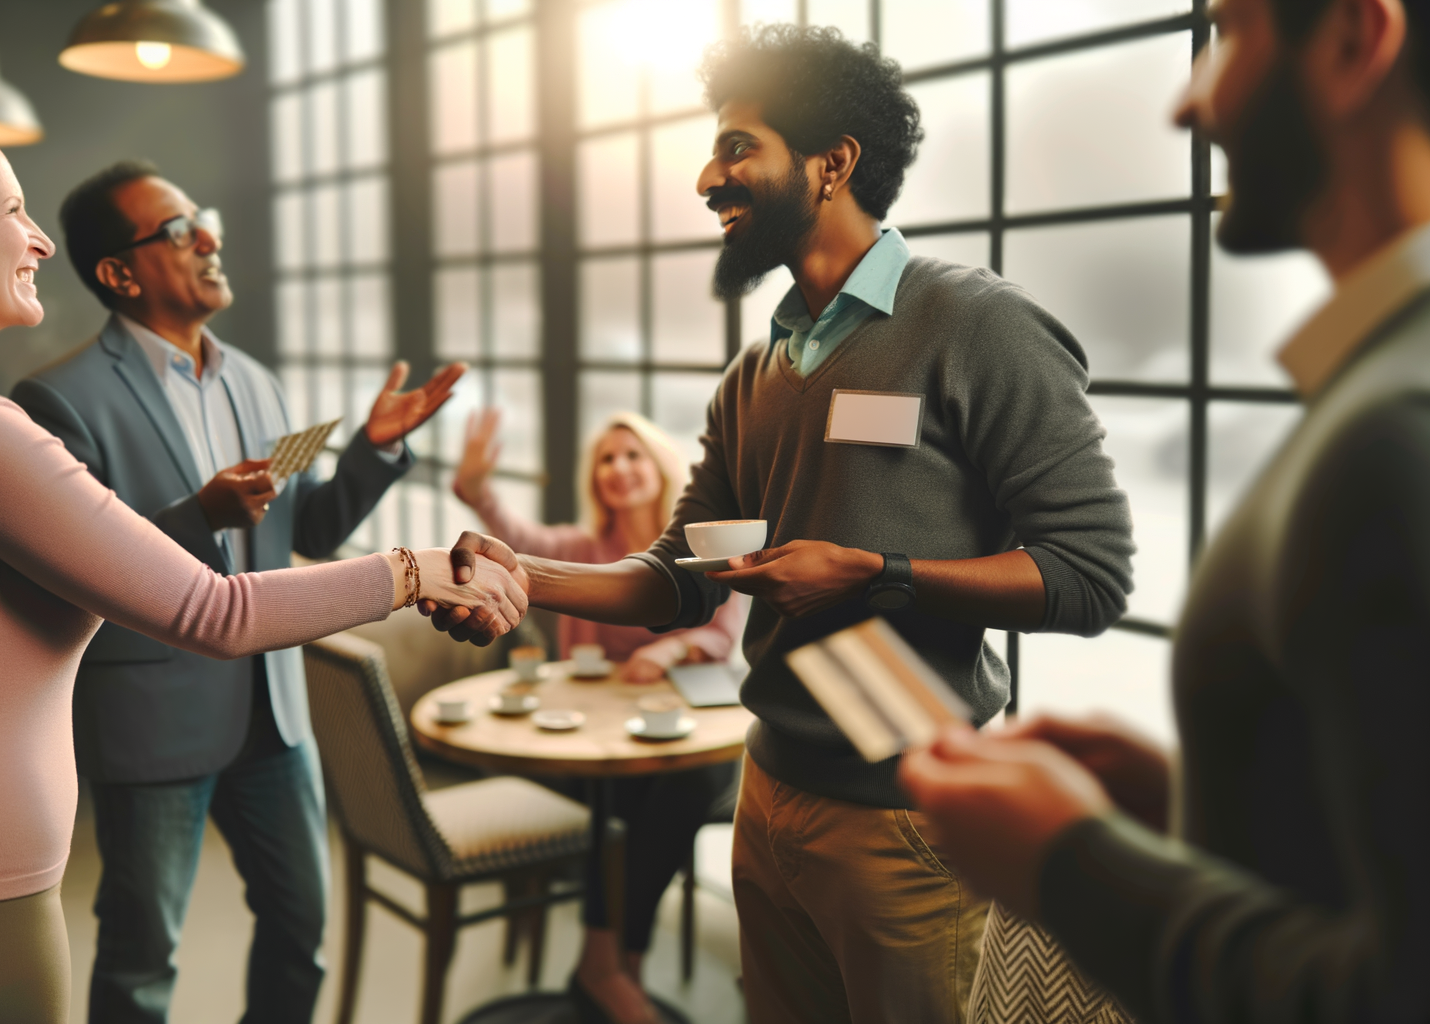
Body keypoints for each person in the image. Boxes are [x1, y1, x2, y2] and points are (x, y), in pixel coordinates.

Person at [0, 96, 525, 1024]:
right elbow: (214, 610)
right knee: (141, 958)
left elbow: (282, 532)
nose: (39, 240)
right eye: (13, 209)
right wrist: (415, 570)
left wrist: (369, 456)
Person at [432, 24, 1135, 1024]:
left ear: (830, 164)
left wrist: (876, 573)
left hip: (905, 818)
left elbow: (1087, 574)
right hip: (766, 794)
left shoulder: (977, 326)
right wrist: (523, 573)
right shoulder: (754, 375)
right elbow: (674, 575)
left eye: (736, 148)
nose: (706, 179)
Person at [897, 0, 1430, 1020]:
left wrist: (1069, 863)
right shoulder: (1384, 391)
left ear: (1354, 38)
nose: (1189, 104)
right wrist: (1195, 795)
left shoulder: (1392, 430)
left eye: (1231, 36)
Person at [9, 162, 460, 1024]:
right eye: (180, 230)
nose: (210, 238)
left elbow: (306, 526)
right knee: (142, 958)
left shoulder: (258, 381)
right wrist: (199, 516)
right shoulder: (58, 400)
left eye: (203, 217)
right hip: (154, 719)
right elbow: (74, 572)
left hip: (274, 713)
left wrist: (372, 450)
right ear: (119, 273)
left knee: (302, 929)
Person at [452, 408, 747, 1023]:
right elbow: (513, 540)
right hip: (594, 740)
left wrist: (671, 648)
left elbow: (723, 632)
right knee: (618, 795)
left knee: (688, 783)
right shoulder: (580, 550)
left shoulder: (694, 546)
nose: (619, 468)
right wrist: (477, 490)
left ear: (660, 466)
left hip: (682, 734)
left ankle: (612, 966)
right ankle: (613, 970)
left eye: (632, 454)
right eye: (606, 459)